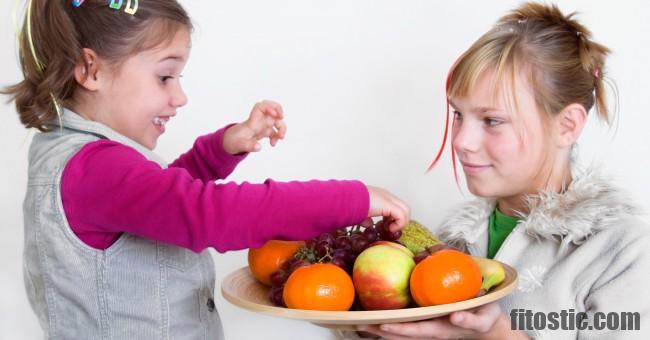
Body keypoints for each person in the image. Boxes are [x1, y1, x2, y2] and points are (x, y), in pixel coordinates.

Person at [1, 1, 410, 339]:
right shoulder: (94, 168)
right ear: (90, 71)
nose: (179, 96)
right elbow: (206, 214)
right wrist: (351, 198)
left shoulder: (78, 160)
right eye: (164, 76)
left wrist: (219, 150)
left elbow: (162, 203)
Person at [356, 2, 650, 339]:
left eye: (492, 120)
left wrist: (491, 334)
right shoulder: (449, 244)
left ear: (567, 125)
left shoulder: (624, 251)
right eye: (458, 115)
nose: (462, 141)